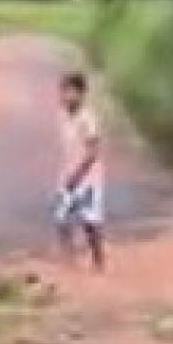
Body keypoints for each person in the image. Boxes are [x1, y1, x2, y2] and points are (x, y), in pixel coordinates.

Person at [54, 69, 108, 271]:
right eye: (63, 92)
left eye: (69, 92)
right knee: (61, 218)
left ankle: (98, 259)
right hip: (68, 174)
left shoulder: (88, 118)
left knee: (90, 221)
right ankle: (69, 260)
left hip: (88, 177)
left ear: (80, 93)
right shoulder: (62, 116)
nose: (65, 96)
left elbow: (93, 151)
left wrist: (77, 175)